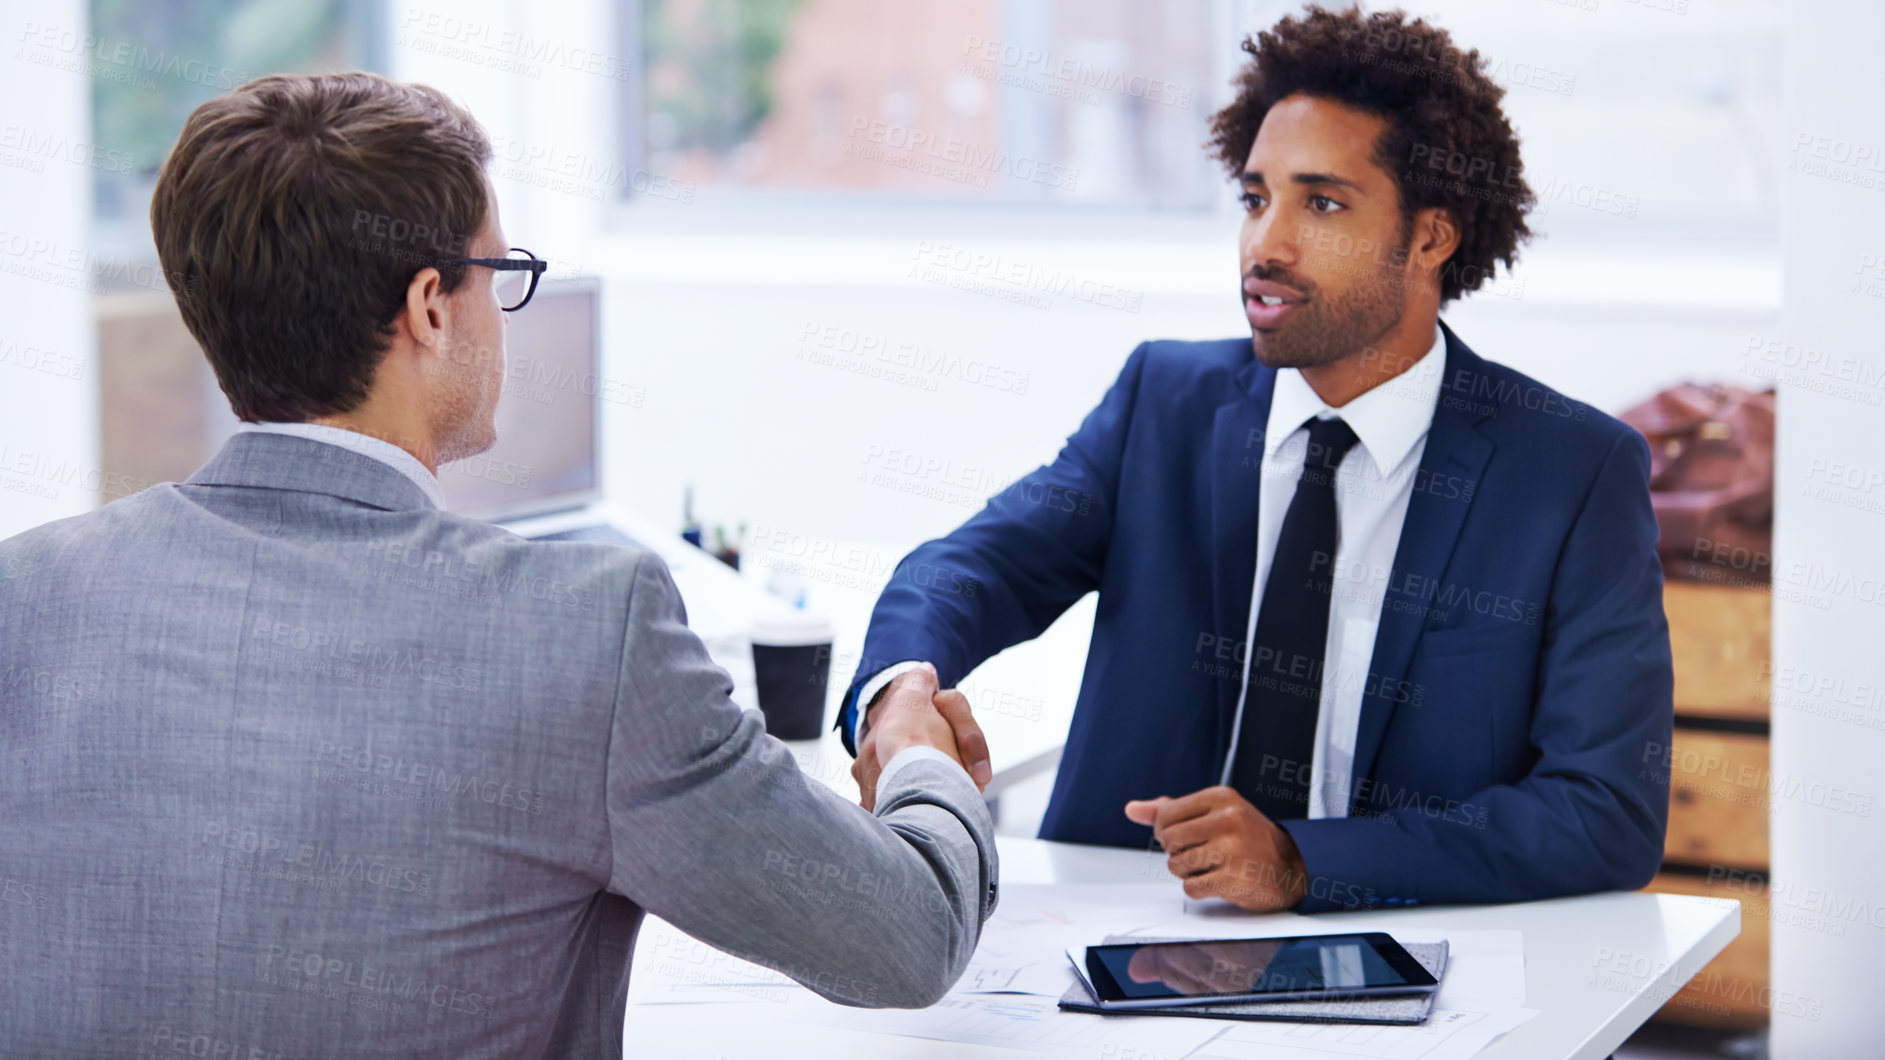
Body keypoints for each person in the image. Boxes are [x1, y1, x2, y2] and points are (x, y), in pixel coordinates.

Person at [0, 72, 995, 1059]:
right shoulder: (587, 633)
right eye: (499, 274)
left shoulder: (25, 594)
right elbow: (906, 939)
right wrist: (915, 751)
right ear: (431, 306)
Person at [837, 4, 1672, 914]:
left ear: (1431, 236)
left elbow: (1604, 813)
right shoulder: (1164, 403)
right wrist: (898, 694)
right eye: (1253, 197)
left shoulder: (1570, 474)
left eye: (1320, 203)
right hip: (1119, 942)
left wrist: (1304, 861)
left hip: (1417, 960)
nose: (1263, 245)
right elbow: (972, 567)